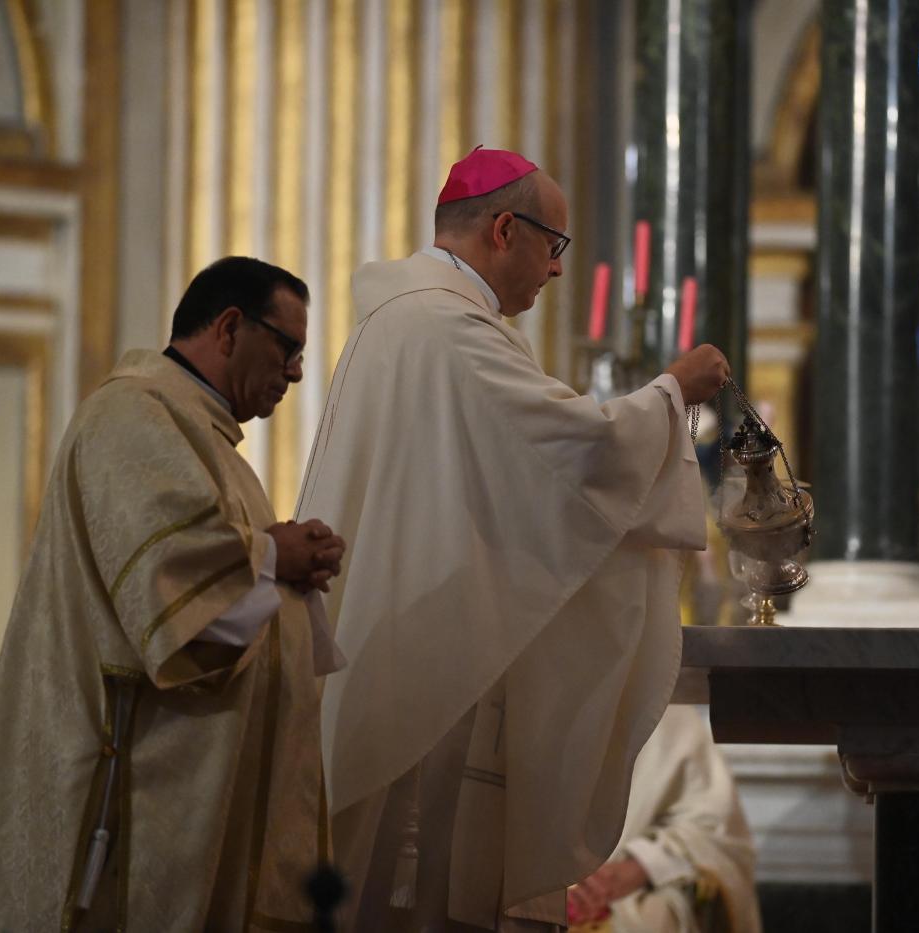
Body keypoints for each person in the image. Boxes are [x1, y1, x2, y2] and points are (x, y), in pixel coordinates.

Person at [297, 147, 730, 930]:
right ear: (505, 228)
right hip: (423, 657)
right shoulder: (445, 329)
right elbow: (579, 453)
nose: (557, 270)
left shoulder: (401, 321)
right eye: (554, 246)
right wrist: (674, 392)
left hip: (401, 631)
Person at [0, 257, 347, 931]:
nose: (297, 371)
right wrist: (274, 555)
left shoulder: (207, 442)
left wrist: (286, 562)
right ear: (230, 327)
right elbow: (176, 605)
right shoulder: (131, 417)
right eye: (288, 347)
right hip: (127, 791)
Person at [566, 705, 762, 933]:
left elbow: (715, 831)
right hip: (526, 892)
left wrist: (641, 866)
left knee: (653, 918)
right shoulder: (519, 699)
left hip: (626, 892)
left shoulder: (668, 708)